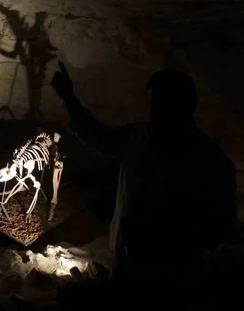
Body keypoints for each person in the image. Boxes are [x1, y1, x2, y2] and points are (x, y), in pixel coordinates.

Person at [50, 62, 237, 307]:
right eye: (155, 107)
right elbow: (98, 136)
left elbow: (222, 225)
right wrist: (69, 99)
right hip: (128, 267)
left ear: (190, 106)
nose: (158, 115)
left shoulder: (209, 161)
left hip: (175, 278)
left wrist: (170, 240)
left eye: (168, 107)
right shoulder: (138, 139)